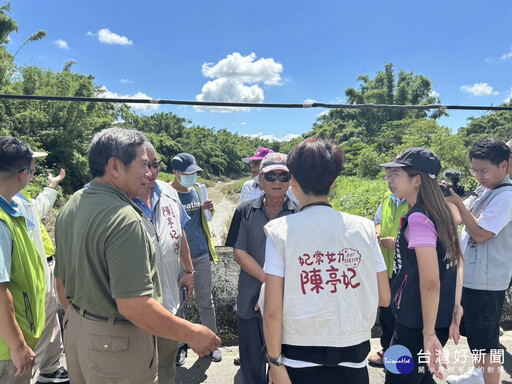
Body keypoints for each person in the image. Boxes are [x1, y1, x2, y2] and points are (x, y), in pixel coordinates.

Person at [54, 128, 221, 384]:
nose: (149, 174)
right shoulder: (126, 218)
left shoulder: (74, 203)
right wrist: (194, 333)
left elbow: (61, 281)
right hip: (118, 343)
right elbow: (134, 305)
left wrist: (87, 323)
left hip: (77, 329)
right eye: (143, 165)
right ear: (115, 167)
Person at [262, 138, 390, 384]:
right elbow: (384, 297)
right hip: (354, 354)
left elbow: (272, 310)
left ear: (293, 181)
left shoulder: (280, 231)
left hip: (298, 357)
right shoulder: (364, 228)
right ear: (333, 182)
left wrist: (275, 363)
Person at [379, 147, 463, 383]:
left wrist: (427, 334)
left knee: (398, 377)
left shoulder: (419, 218)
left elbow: (429, 282)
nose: (390, 180)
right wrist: (456, 305)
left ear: (417, 181)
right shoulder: (442, 212)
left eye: (396, 174)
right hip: (436, 316)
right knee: (422, 376)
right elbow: (457, 261)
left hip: (415, 323)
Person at [226, 152, 300, 384]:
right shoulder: (245, 211)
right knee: (251, 363)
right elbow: (239, 252)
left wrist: (275, 287)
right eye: (270, 176)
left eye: (283, 175)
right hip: (250, 299)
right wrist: (270, 282)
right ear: (260, 180)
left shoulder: (298, 214)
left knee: (283, 361)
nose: (277, 181)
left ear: (290, 181)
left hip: (287, 302)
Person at [445, 139, 512, 384]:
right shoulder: (485, 190)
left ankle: (489, 380)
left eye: (484, 170)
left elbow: (481, 234)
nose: (479, 176)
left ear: (504, 165)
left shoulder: (506, 196)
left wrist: (458, 203)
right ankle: (477, 375)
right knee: (476, 335)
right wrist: (447, 200)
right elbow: (462, 220)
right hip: (472, 276)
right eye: (475, 170)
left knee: (487, 343)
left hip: (487, 281)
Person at [133, 142, 195, 384]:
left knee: (168, 361)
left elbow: (180, 231)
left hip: (170, 298)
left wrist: (189, 269)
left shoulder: (169, 193)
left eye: (155, 164)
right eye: (144, 165)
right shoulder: (120, 198)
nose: (151, 171)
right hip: (137, 305)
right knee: (139, 366)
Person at [12, 155, 68, 384]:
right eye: (31, 166)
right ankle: (34, 374)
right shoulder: (9, 202)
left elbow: (38, 208)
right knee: (39, 326)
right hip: (34, 276)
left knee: (50, 321)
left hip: (46, 266)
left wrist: (52, 186)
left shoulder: (18, 197)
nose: (33, 169)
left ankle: (50, 368)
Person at [0, 137, 46, 384]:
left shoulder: (10, 210)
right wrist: (18, 347)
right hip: (6, 351)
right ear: (22, 174)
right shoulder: (1, 220)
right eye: (32, 171)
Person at [170, 153, 221, 364]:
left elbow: (205, 220)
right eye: (187, 173)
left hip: (201, 254)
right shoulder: (167, 194)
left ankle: (212, 343)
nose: (192, 176)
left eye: (194, 172)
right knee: (178, 304)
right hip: (176, 259)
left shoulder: (198, 190)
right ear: (175, 173)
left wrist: (208, 210)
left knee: (206, 301)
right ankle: (181, 345)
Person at [368, 170, 408, 368]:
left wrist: (398, 242)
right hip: (385, 267)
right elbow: (377, 220)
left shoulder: (417, 201)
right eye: (387, 176)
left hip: (405, 270)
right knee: (385, 312)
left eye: (395, 176)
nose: (390, 181)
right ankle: (388, 350)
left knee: (403, 315)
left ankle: (401, 356)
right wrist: (377, 231)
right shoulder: (387, 198)